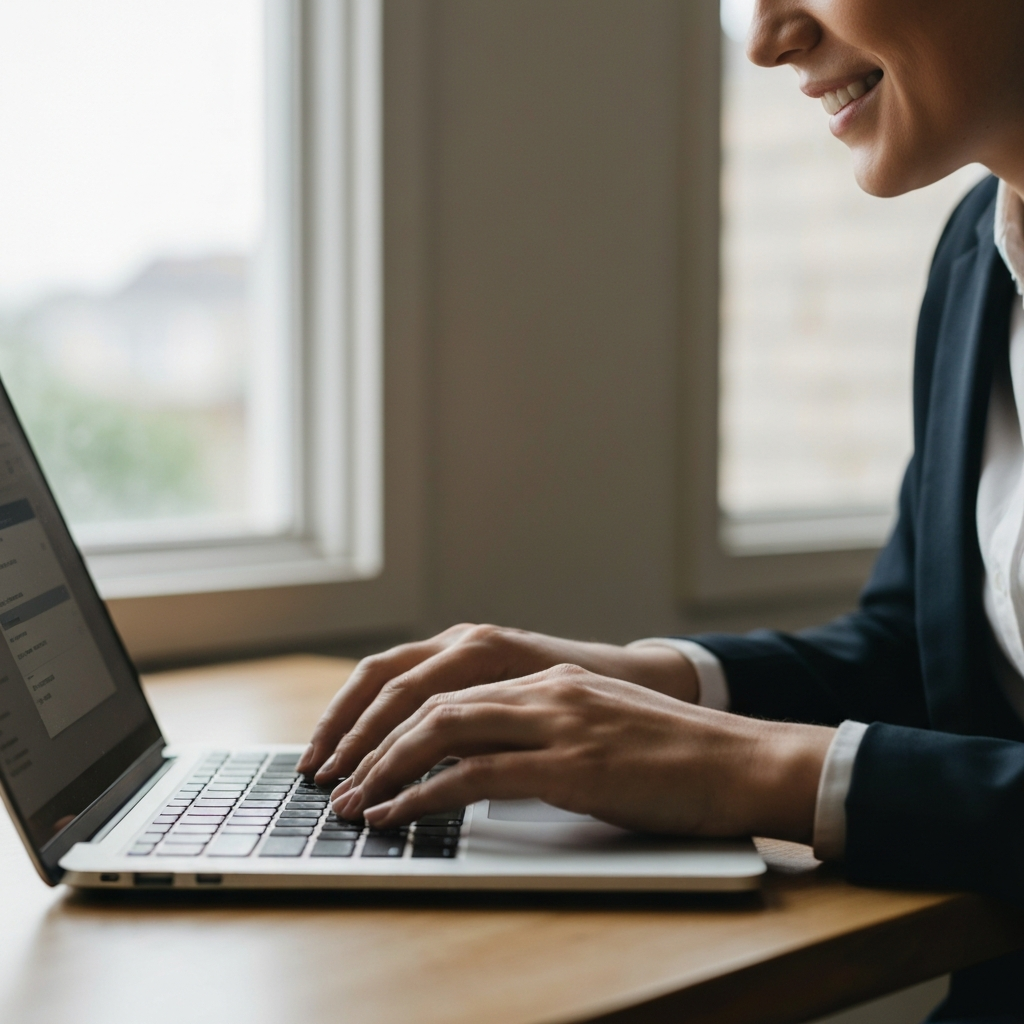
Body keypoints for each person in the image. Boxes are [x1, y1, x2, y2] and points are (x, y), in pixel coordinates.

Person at [298, 1, 1024, 1018]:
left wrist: (764, 772)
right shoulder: (977, 254)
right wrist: (649, 682)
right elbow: (927, 657)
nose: (768, 37)